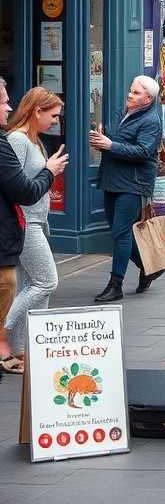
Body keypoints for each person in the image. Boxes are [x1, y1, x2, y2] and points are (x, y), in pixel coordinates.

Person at [0, 78, 67, 375]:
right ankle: (4, 333)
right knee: (45, 282)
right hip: (25, 222)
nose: (55, 122)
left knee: (34, 285)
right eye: (52, 115)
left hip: (35, 221)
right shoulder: (17, 140)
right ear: (37, 111)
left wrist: (48, 168)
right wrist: (49, 170)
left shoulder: (31, 140)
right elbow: (20, 187)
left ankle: (25, 348)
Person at [89, 75, 164, 302]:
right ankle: (148, 266)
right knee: (118, 231)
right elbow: (118, 144)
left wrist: (111, 145)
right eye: (130, 90)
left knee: (121, 233)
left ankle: (116, 285)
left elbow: (142, 152)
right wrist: (103, 141)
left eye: (136, 93)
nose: (130, 95)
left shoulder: (151, 121)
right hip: (112, 179)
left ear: (148, 99)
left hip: (133, 184)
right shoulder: (125, 113)